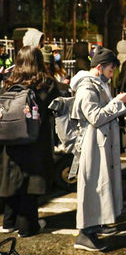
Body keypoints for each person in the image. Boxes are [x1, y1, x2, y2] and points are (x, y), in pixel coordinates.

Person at [70, 48, 126, 251]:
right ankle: (86, 233)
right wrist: (118, 102)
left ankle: (95, 226)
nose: (113, 71)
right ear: (99, 67)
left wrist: (121, 102)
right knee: (93, 187)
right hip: (92, 145)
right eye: (110, 68)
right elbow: (95, 117)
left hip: (101, 143)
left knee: (101, 186)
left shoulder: (99, 84)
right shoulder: (87, 87)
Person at [0, 46, 61, 237]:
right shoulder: (46, 83)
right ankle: (27, 226)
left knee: (12, 178)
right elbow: (57, 107)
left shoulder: (9, 83)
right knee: (31, 183)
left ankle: (8, 222)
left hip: (10, 138)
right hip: (35, 140)